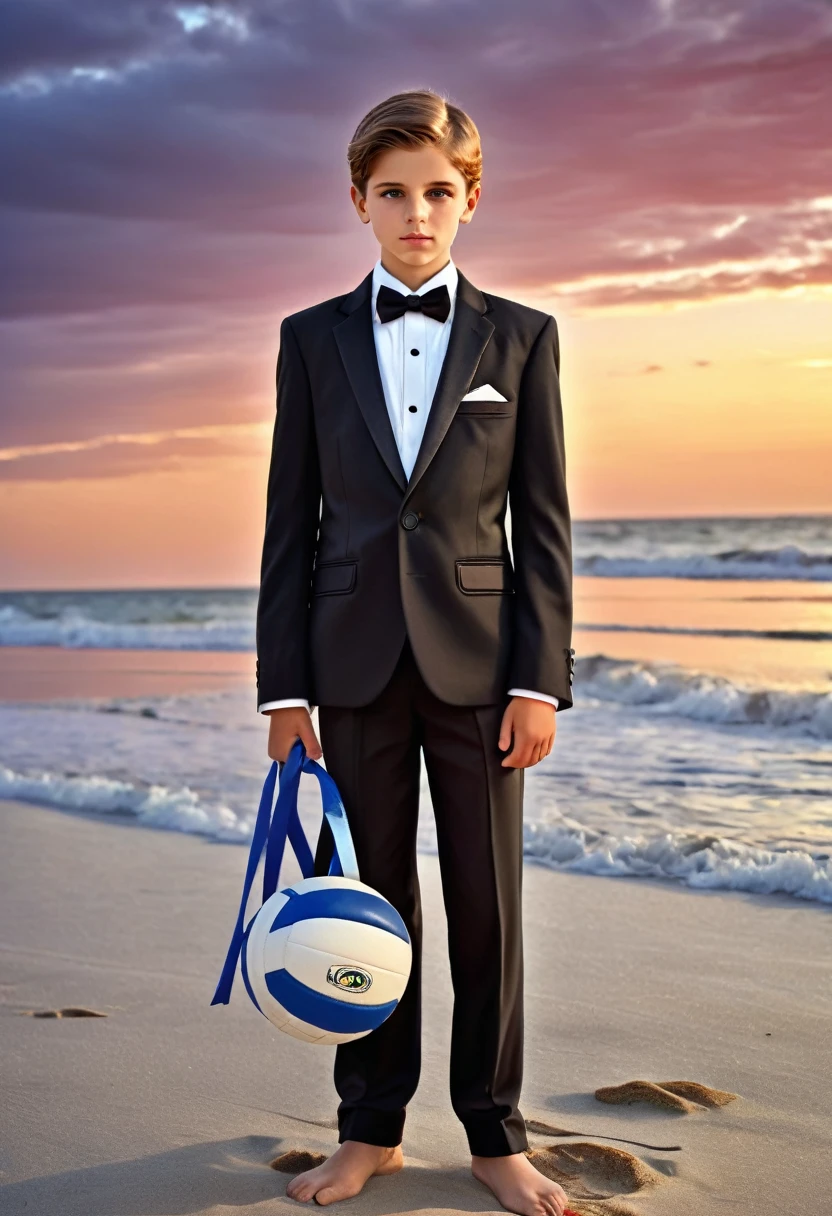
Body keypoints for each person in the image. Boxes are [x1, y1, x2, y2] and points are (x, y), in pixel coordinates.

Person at [255, 88, 575, 1216]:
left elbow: (540, 524)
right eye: (391, 192)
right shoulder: (308, 340)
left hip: (485, 674)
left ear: (470, 199)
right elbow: (288, 523)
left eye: (438, 191)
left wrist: (541, 679)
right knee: (366, 903)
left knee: (488, 907)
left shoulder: (522, 339)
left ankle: (494, 1135)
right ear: (358, 202)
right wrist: (282, 692)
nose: (416, 212)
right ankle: (369, 1128)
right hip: (345, 668)